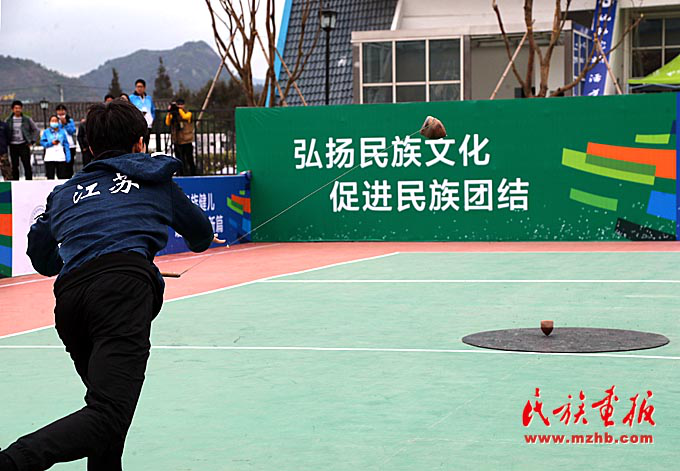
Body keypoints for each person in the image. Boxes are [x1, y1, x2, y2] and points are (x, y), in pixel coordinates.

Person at [0, 100, 220, 471]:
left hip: (71, 301)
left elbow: (42, 260)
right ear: (139, 143)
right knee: (109, 416)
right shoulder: (156, 178)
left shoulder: (65, 193)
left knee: (105, 416)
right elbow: (200, 235)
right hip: (122, 291)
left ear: (88, 147)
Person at [6, 100, 39, 180]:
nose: (17, 110)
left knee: (26, 164)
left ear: (21, 109)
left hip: (24, 144)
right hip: (13, 145)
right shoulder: (8, 120)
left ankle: (29, 181)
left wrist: (32, 140)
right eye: (16, 108)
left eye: (19, 108)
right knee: (14, 165)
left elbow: (36, 130)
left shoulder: (27, 119)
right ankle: (16, 182)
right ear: (12, 109)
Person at [165, 98, 195, 176]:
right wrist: (170, 112)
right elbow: (167, 122)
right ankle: (181, 173)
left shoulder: (188, 113)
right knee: (179, 159)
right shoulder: (173, 114)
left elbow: (185, 117)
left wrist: (179, 110)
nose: (180, 106)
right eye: (178, 105)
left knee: (189, 158)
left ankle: (192, 173)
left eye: (181, 104)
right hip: (177, 140)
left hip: (187, 140)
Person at [39, 115, 71, 179]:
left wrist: (68, 155)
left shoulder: (62, 132)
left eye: (55, 121)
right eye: (52, 121)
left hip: (60, 156)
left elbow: (66, 144)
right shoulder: (46, 132)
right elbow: (42, 142)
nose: (54, 122)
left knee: (62, 176)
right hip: (50, 156)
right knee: (50, 176)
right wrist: (51, 143)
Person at [128, 79, 155, 146]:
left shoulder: (149, 98)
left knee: (146, 143)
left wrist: (152, 119)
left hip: (148, 124)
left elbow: (152, 110)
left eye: (141, 87)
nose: (139, 88)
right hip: (137, 125)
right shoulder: (131, 98)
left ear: (144, 88)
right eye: (138, 87)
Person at [56, 104, 77, 178]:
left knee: (69, 164)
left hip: (70, 145)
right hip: (59, 145)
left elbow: (72, 131)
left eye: (62, 110)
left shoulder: (70, 120)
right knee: (61, 165)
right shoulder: (55, 120)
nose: (61, 112)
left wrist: (65, 124)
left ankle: (69, 177)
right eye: (59, 110)